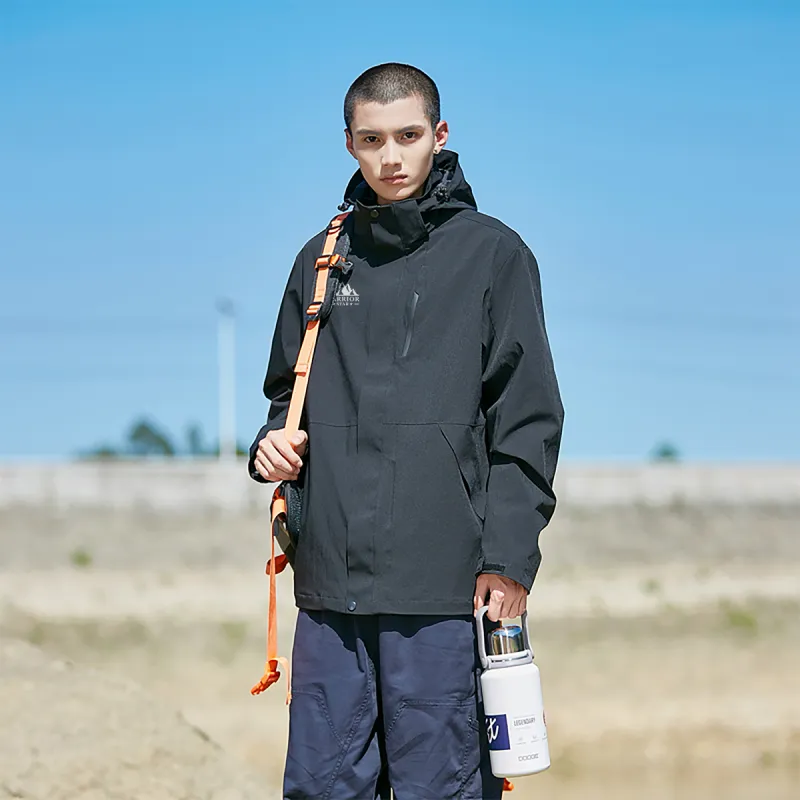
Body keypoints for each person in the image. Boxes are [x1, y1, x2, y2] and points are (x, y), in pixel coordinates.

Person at [248, 62, 564, 800]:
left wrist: (509, 561)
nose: (391, 157)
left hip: (443, 594)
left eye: (408, 136)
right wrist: (269, 448)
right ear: (350, 143)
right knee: (321, 790)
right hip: (330, 595)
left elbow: (527, 419)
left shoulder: (495, 255)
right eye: (372, 140)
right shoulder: (320, 260)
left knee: (441, 790)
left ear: (439, 135)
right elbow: (284, 398)